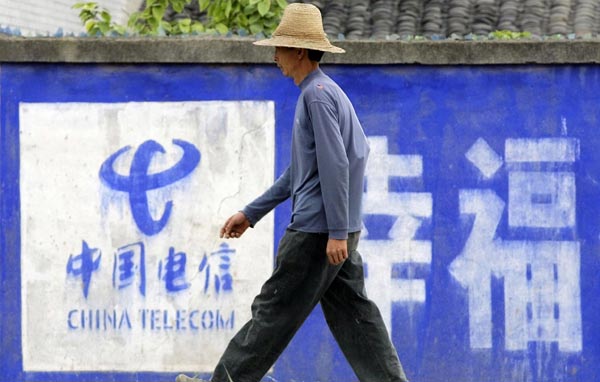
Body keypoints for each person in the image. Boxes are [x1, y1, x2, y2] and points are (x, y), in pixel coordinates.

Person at [177, 3, 409, 382]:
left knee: (272, 312)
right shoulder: (328, 93)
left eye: (280, 48)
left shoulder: (315, 96)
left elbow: (336, 164)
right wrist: (252, 213)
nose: (274, 56)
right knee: (358, 318)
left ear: (299, 51)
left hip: (316, 234)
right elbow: (304, 172)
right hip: (338, 231)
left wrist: (334, 230)